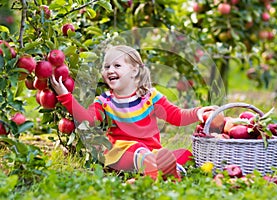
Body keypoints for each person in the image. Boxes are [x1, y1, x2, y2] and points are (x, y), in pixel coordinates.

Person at [50, 45, 216, 181]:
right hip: (120, 153)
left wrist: (198, 112)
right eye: (106, 67)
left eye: (117, 65)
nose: (109, 70)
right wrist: (65, 94)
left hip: (151, 152)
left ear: (135, 71)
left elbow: (176, 116)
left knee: (184, 155)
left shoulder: (150, 97)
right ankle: (156, 174)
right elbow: (88, 119)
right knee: (138, 149)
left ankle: (169, 170)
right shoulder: (105, 101)